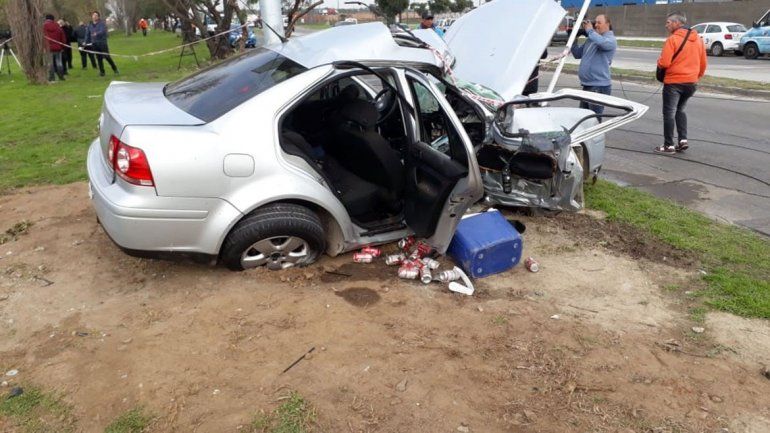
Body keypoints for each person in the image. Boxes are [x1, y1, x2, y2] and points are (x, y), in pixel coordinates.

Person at [654, 12, 707, 155]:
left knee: (669, 113)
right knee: (680, 110)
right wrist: (695, 77)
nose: (666, 25)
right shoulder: (698, 40)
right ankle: (683, 140)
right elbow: (703, 64)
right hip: (691, 83)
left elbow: (665, 62)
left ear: (677, 23)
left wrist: (658, 62)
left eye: (668, 22)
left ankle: (668, 145)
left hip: (674, 83)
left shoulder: (672, 39)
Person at [570, 14, 616, 115]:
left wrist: (590, 31)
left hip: (599, 86)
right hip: (587, 85)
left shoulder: (610, 39)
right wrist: (573, 38)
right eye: (595, 23)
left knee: (594, 119)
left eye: (599, 23)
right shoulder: (592, 39)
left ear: (608, 24)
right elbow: (577, 54)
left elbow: (603, 43)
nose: (596, 25)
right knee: (583, 117)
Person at [85, 11, 119, 77]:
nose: (94, 16)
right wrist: (85, 42)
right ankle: (102, 72)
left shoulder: (102, 23)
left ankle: (115, 69)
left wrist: (96, 34)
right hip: (94, 44)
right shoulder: (89, 25)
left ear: (98, 17)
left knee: (107, 57)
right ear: (92, 16)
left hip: (102, 43)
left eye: (96, 15)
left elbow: (103, 31)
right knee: (98, 58)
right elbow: (87, 34)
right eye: (93, 15)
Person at [43, 14, 66, 82]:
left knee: (50, 63)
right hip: (58, 47)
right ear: (53, 19)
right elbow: (63, 37)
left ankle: (51, 77)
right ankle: (61, 76)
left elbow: (42, 38)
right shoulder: (58, 26)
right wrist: (62, 47)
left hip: (48, 48)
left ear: (46, 19)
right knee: (59, 62)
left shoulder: (43, 26)